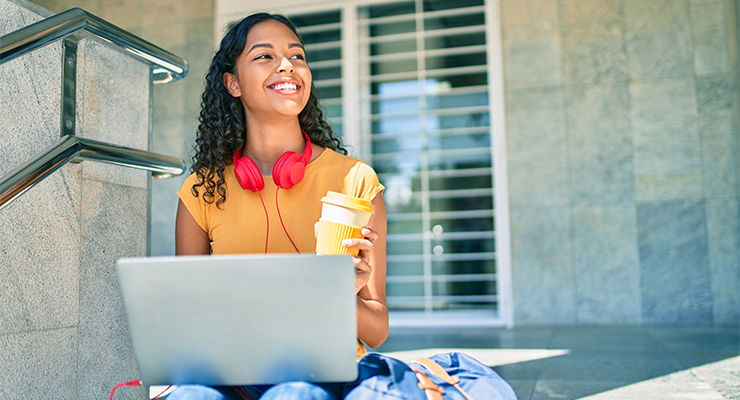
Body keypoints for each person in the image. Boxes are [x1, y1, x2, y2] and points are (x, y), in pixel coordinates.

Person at [169, 12, 388, 400]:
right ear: (232, 83)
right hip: (232, 371)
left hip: (319, 373)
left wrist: (337, 294)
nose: (287, 65)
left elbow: (377, 330)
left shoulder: (354, 180)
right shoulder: (202, 191)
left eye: (297, 56)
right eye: (264, 56)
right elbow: (188, 321)